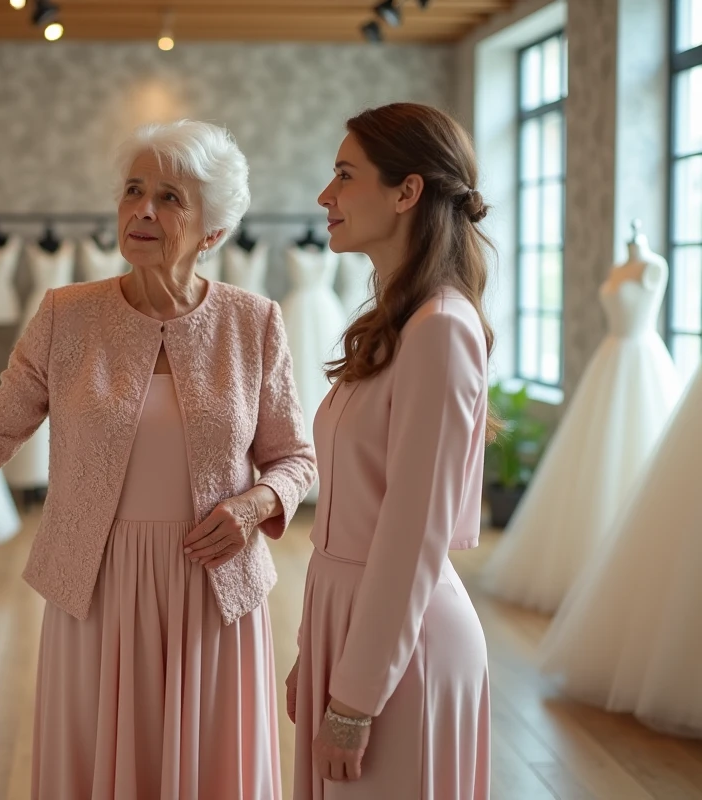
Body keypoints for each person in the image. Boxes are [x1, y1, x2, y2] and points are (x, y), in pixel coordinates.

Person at [0, 119, 317, 799]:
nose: (143, 211)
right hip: (96, 587)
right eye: (133, 191)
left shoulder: (255, 322)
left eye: (169, 198)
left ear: (213, 232)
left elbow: (295, 459)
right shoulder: (66, 315)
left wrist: (257, 504)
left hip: (212, 589)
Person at [286, 102, 493, 800]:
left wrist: (353, 698)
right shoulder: (395, 324)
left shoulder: (440, 329)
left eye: (345, 175)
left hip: (404, 648)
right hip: (349, 626)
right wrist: (313, 655)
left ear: (407, 192)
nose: (325, 195)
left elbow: (410, 538)